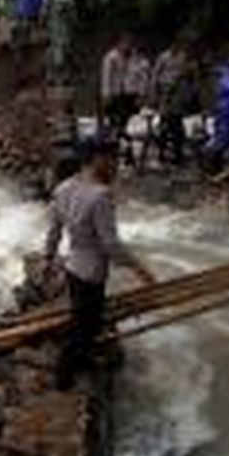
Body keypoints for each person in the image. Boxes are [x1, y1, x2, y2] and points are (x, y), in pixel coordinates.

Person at [44, 139, 156, 390]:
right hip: (92, 272)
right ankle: (63, 379)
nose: (115, 165)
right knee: (84, 327)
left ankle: (79, 363)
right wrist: (141, 270)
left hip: (73, 266)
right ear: (96, 159)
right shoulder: (100, 196)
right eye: (112, 159)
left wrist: (48, 258)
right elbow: (111, 244)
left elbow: (54, 230)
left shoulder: (64, 187)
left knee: (83, 320)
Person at [41, 0, 76, 86]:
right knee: (66, 50)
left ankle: (51, 76)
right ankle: (65, 77)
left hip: (52, 29)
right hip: (65, 30)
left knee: (51, 51)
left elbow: (43, 14)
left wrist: (42, 24)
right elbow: (73, 16)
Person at [100, 37, 133, 145]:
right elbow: (106, 75)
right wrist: (106, 94)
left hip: (122, 91)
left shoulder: (126, 58)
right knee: (113, 116)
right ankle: (112, 135)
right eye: (126, 44)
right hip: (112, 92)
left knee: (123, 115)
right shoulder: (111, 57)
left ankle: (118, 133)